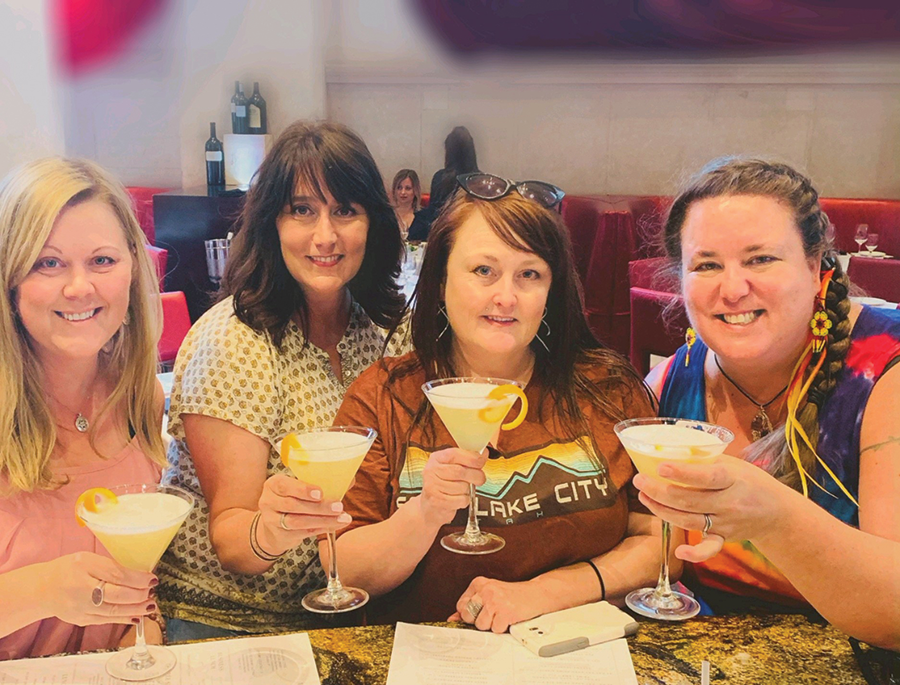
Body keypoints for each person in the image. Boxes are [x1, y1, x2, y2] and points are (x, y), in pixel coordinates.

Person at [331, 174, 667, 631]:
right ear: (441, 277)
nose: (505, 297)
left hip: (582, 657)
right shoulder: (384, 395)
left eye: (529, 274)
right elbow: (345, 568)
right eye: (483, 271)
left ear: (551, 291)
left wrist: (542, 594)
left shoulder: (608, 389)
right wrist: (426, 511)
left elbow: (658, 542)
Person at [157, 121, 408, 641]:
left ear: (372, 224)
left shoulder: (383, 332)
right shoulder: (234, 339)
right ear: (270, 222)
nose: (325, 236)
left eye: (345, 210)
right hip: (226, 621)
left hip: (349, 612)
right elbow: (231, 538)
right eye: (302, 210)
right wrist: (274, 528)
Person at [640, 158, 900, 650]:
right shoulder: (670, 382)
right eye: (707, 264)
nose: (733, 289)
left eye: (760, 259)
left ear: (815, 262)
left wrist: (775, 518)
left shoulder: (886, 373)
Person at [0, 158, 166, 659]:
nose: (79, 287)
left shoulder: (141, 401)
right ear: (10, 278)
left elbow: (139, 594)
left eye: (102, 261)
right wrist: (44, 588)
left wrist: (143, 637)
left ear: (133, 271)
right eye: (48, 263)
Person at [409, 126, 478, 241]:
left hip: (443, 238)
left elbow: (433, 215)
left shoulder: (440, 178)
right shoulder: (479, 180)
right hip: (471, 236)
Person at [391, 169, 421, 240]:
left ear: (415, 191)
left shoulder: (424, 217)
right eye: (399, 188)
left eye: (408, 188)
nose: (403, 192)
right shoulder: (387, 215)